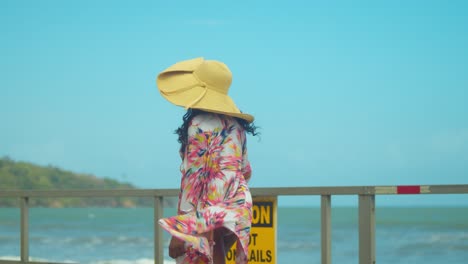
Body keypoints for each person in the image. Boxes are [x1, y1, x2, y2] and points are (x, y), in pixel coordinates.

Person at [156, 57, 258, 264]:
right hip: (235, 206)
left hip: (206, 209)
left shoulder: (198, 125)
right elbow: (245, 171)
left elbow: (192, 182)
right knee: (216, 252)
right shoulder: (237, 126)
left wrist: (180, 230)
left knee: (201, 256)